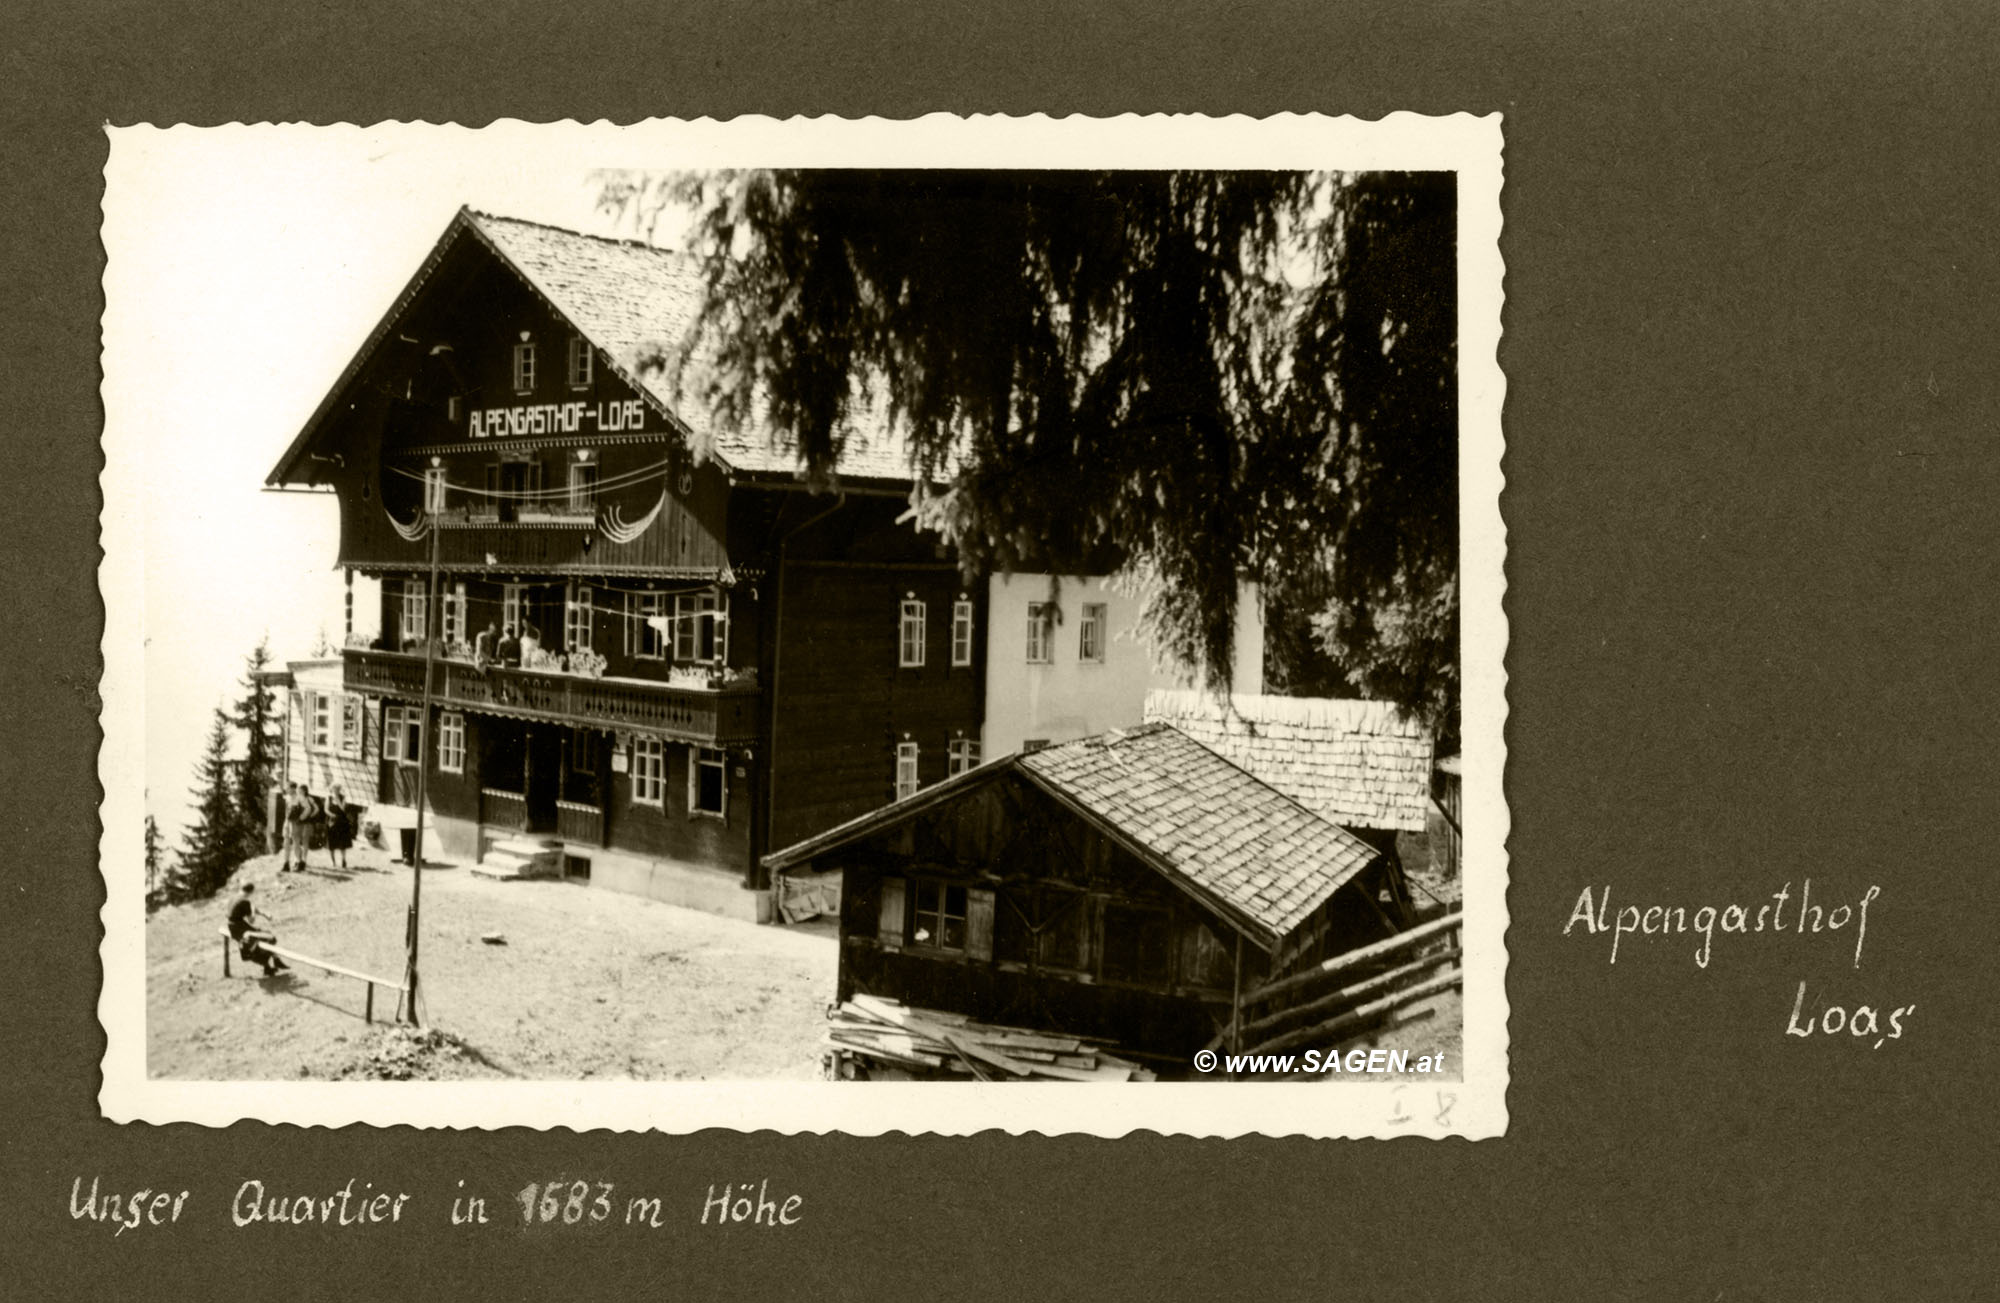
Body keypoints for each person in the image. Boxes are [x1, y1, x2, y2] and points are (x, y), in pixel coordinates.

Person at [227, 882, 288, 976]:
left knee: (264, 935)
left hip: (233, 927)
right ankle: (274, 961)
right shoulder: (245, 901)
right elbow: (251, 920)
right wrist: (252, 911)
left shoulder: (236, 897)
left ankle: (272, 963)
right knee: (270, 937)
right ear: (251, 891)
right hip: (240, 929)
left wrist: (264, 914)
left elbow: (251, 908)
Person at [282, 782, 311, 873]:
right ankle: (286, 863)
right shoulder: (287, 797)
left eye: (288, 788)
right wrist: (286, 821)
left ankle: (299, 862)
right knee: (286, 842)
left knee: (296, 842)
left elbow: (308, 808)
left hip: (296, 823)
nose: (286, 789)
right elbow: (287, 809)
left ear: (293, 789)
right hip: (287, 821)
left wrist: (301, 818)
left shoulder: (300, 797)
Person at [325, 784, 354, 871]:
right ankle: (333, 862)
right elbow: (326, 809)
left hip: (341, 822)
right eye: (334, 789)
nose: (336, 790)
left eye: (337, 789)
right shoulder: (329, 798)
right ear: (332, 789)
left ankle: (343, 860)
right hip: (331, 821)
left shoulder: (343, 798)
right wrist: (331, 815)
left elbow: (343, 809)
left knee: (342, 843)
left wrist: (338, 801)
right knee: (331, 842)